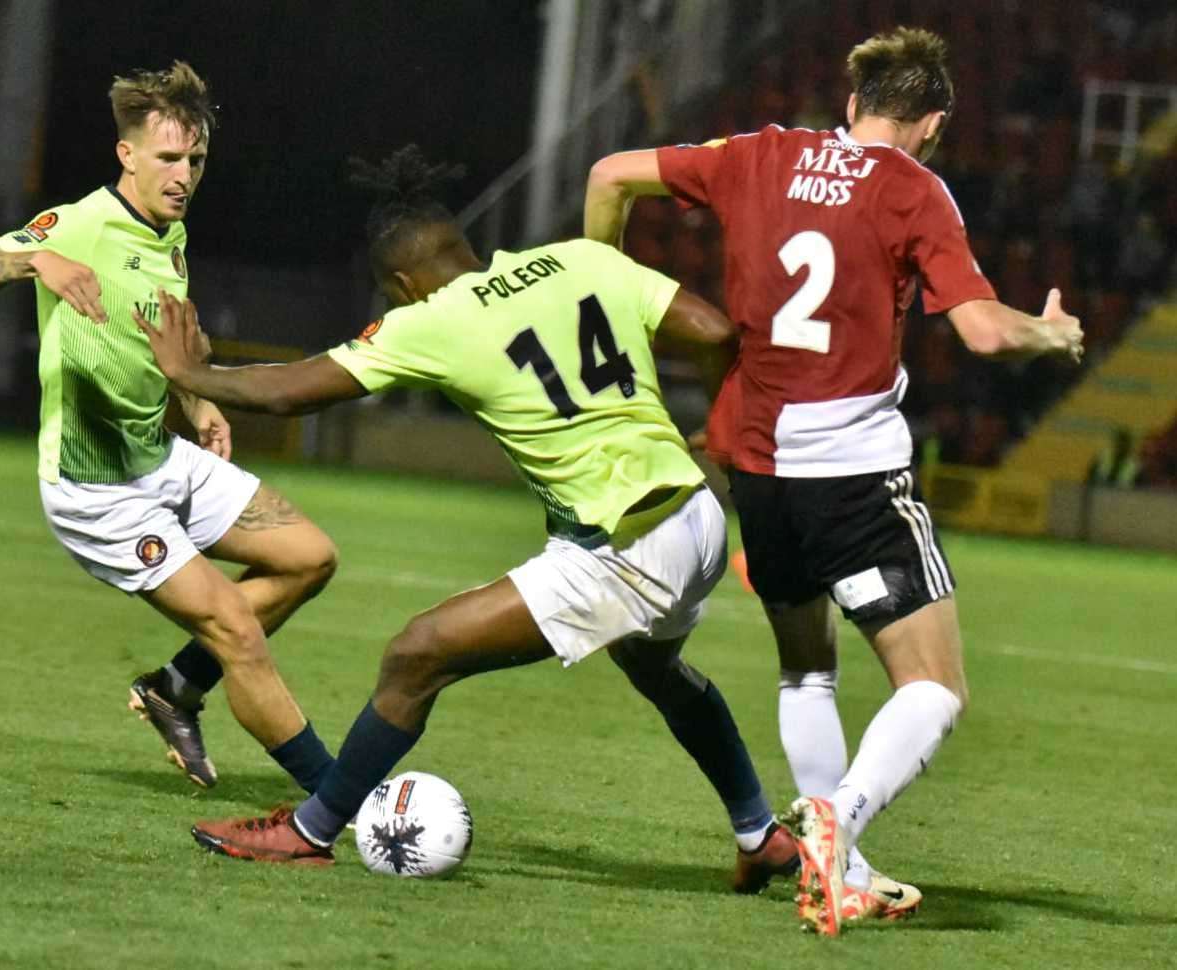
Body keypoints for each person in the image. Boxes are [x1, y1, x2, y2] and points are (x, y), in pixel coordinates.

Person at [139, 146, 799, 892]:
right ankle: (759, 834)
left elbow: (295, 390)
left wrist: (189, 374)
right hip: (699, 517)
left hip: (623, 545)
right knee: (655, 668)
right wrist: (725, 428)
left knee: (417, 654)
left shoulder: (432, 318)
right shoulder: (580, 261)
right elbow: (714, 331)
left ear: (400, 283)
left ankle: (309, 830)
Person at [584, 27, 1083, 935]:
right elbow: (981, 330)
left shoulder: (758, 153)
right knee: (934, 686)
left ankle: (838, 869)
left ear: (851, 104)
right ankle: (836, 821)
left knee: (807, 666)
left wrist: (604, 296)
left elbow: (611, 174)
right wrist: (1052, 332)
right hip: (854, 472)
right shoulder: (916, 190)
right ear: (932, 122)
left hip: (761, 471)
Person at [0, 61, 338, 796]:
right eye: (168, 158)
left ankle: (175, 689)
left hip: (162, 459)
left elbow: (157, 340)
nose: (184, 174)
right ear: (127, 155)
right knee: (236, 629)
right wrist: (37, 259)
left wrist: (199, 401)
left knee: (309, 556)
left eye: (195, 159)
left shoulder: (172, 236)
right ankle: (340, 796)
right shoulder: (83, 223)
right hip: (100, 492)